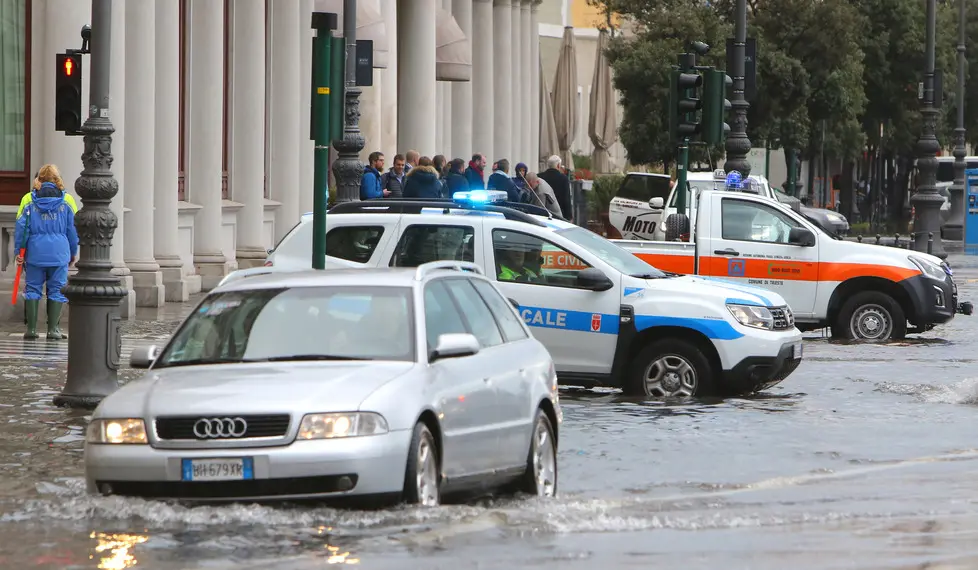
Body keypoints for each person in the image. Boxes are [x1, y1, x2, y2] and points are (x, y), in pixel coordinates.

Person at [15, 179, 79, 340]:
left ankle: (31, 329)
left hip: (35, 253)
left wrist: (19, 252)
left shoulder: (29, 200)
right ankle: (53, 330)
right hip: (59, 252)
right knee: (57, 289)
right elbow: (73, 229)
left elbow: (21, 229)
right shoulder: (67, 201)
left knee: (32, 289)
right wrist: (73, 251)